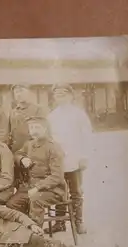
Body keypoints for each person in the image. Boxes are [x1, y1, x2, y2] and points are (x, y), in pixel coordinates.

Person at [47, 83, 93, 234]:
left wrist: (84, 156)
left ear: (71, 96)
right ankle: (60, 222)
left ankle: (78, 221)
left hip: (75, 158)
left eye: (63, 94)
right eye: (57, 94)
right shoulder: (52, 116)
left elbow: (87, 137)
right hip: (58, 161)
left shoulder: (78, 114)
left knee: (76, 191)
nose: (60, 97)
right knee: (59, 190)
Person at [6, 116, 66, 231]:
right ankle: (22, 231)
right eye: (31, 127)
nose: (34, 130)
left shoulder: (53, 147)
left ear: (45, 129)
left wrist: (38, 187)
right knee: (12, 204)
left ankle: (35, 237)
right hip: (31, 187)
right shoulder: (29, 144)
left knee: (35, 200)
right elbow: (17, 154)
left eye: (37, 127)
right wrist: (22, 159)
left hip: (53, 190)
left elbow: (57, 176)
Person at [9, 83, 49, 152]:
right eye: (16, 92)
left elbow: (45, 131)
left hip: (33, 148)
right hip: (16, 149)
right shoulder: (12, 112)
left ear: (28, 93)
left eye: (21, 91)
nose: (19, 94)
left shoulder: (38, 109)